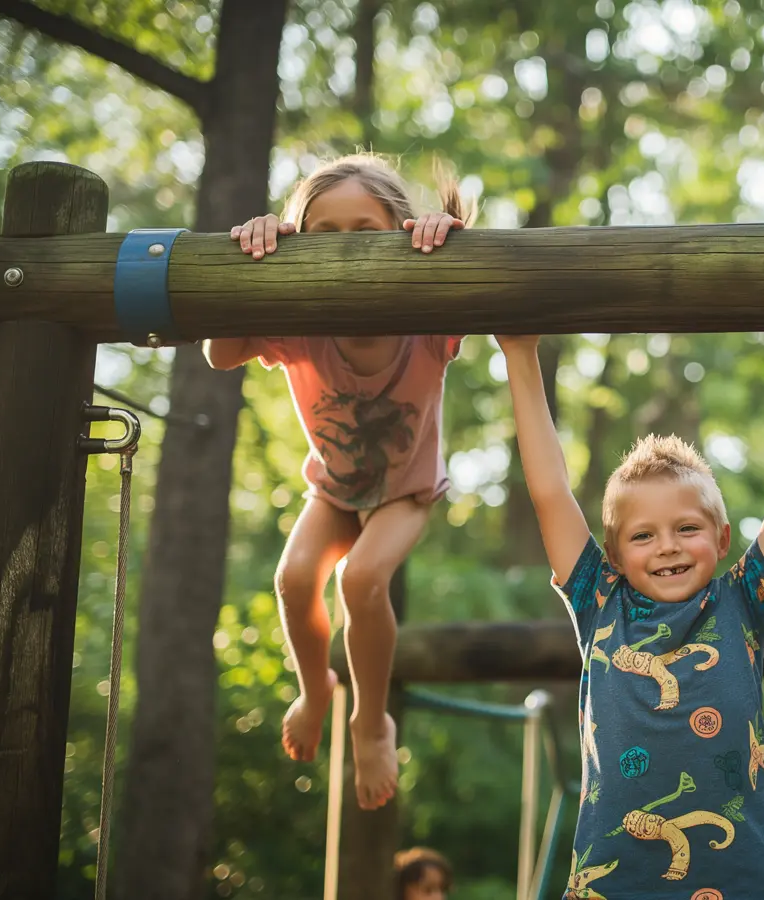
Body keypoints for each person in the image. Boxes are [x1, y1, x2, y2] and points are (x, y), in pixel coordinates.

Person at [497, 329, 764, 899]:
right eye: (643, 535)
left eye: (687, 528)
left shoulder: (743, 603)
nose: (668, 546)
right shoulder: (600, 602)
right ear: (613, 555)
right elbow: (551, 493)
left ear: (723, 537)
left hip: (736, 878)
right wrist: (520, 353)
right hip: (615, 878)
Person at [202, 153, 472, 810]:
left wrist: (445, 239)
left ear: (399, 232)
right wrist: (256, 258)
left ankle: (369, 720)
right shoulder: (300, 323)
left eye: (365, 230)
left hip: (407, 493)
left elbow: (472, 280)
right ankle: (316, 688)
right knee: (294, 581)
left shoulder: (425, 319)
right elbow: (220, 352)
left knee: (360, 581)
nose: (346, 251)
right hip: (335, 491)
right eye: (323, 235)